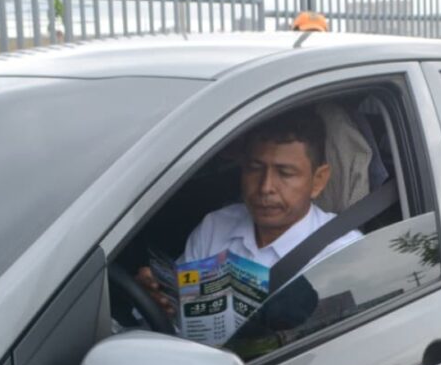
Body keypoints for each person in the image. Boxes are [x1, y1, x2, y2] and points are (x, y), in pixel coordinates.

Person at [138, 110, 361, 311]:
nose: (265, 187)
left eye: (285, 173)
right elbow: (182, 314)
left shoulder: (342, 252)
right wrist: (160, 299)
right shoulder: (215, 227)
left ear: (318, 181)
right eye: (255, 169)